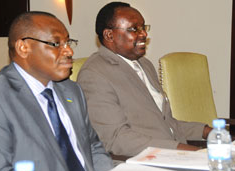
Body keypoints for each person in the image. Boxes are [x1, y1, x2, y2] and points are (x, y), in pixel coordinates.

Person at [0, 11, 113, 171]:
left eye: (68, 42)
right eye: (56, 43)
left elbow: (92, 146)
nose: (69, 51)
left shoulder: (71, 90)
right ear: (23, 48)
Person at [77, 2, 212, 157]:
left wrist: (207, 131)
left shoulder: (144, 64)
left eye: (143, 27)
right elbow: (116, 139)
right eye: (134, 29)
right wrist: (192, 152)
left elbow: (166, 124)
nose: (143, 34)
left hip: (172, 156)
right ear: (109, 35)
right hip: (139, 163)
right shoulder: (95, 74)